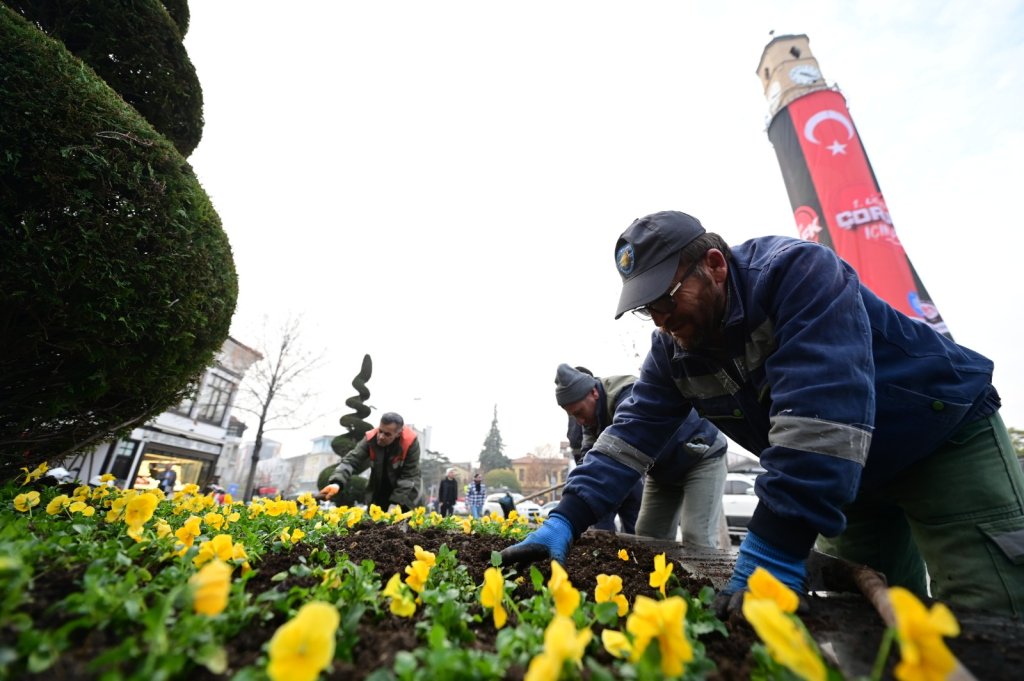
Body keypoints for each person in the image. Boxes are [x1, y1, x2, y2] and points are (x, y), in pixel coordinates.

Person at [503, 210, 1024, 619]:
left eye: (666, 297)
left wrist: (772, 551)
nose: (660, 320)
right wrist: (564, 520)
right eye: (647, 309)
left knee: (991, 612)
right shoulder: (672, 349)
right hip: (852, 477)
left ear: (714, 265)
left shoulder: (799, 276)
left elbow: (820, 424)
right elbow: (627, 438)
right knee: (870, 614)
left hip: (941, 437)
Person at [556, 363, 728, 546]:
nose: (580, 421)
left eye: (580, 412)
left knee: (697, 537)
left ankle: (706, 575)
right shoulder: (592, 421)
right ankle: (663, 575)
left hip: (700, 455)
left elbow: (629, 442)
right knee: (649, 535)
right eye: (574, 416)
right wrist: (567, 512)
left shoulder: (630, 395)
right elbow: (587, 459)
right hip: (664, 470)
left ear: (593, 393)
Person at [319, 412, 425, 511]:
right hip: (379, 490)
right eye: (380, 431)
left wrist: (395, 506)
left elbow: (408, 477)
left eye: (387, 434)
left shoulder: (410, 443)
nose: (381, 437)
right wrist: (336, 483)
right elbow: (351, 460)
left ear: (398, 434)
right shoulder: (371, 438)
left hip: (406, 494)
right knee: (374, 526)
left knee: (401, 526)